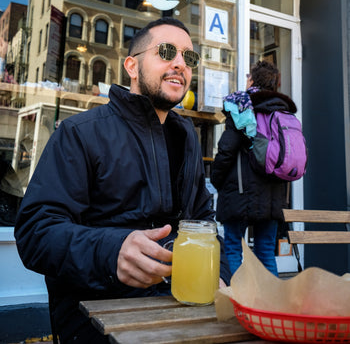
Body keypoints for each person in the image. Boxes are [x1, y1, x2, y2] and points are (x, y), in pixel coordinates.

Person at [15, 17, 231, 344]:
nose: (179, 64)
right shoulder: (81, 133)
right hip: (98, 312)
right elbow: (35, 232)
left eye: (189, 57)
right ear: (132, 65)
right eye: (167, 51)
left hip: (181, 301)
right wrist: (111, 252)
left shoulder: (186, 136)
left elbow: (203, 221)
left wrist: (222, 275)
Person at [211, 60, 297, 277]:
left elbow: (226, 149)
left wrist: (216, 179)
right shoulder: (283, 112)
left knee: (233, 248)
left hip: (239, 192)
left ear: (251, 79)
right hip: (272, 196)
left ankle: (239, 303)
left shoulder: (242, 106)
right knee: (266, 252)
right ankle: (272, 305)